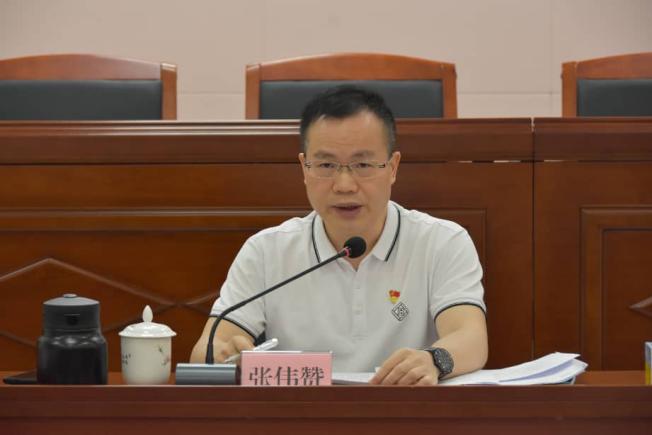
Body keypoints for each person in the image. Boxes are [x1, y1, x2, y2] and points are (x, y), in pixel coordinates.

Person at [191, 86, 488, 385]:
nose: (344, 185)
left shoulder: (442, 242)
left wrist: (434, 360)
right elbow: (208, 348)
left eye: (363, 165)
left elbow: (471, 337)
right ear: (304, 168)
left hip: (406, 408)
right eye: (326, 165)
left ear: (393, 167)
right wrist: (224, 355)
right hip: (300, 410)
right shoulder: (266, 251)